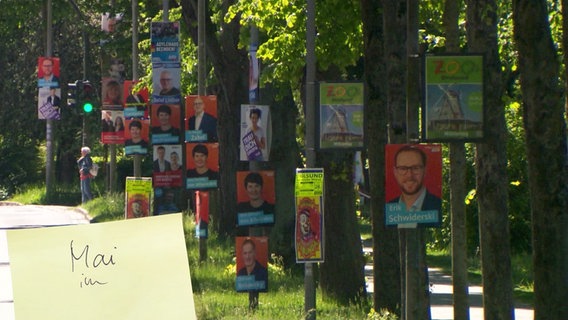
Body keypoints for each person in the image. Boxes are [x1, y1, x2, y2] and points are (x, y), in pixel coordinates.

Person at [389, 145, 441, 212]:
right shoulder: (389, 208)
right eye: (403, 169)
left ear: (425, 171)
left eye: (415, 168)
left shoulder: (437, 205)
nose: (409, 175)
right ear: (395, 172)